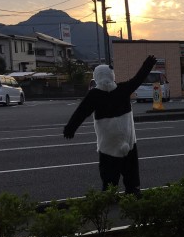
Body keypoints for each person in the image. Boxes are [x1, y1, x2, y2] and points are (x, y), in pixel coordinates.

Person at [63, 55, 157, 195]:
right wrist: (147, 65)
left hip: (108, 144)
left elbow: (80, 113)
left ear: (96, 77)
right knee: (131, 173)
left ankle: (109, 195)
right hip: (128, 141)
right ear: (112, 75)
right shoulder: (123, 89)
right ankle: (133, 192)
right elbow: (138, 79)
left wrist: (70, 129)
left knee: (109, 175)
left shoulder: (94, 95)